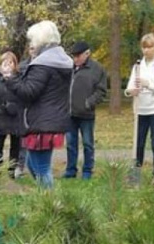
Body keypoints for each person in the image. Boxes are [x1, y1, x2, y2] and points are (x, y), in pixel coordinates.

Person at [6, 21, 72, 189]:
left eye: (33, 39)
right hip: (49, 118)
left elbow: (29, 92)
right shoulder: (60, 60)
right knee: (33, 165)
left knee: (41, 169)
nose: (31, 43)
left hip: (42, 122)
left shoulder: (44, 64)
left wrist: (11, 78)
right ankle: (44, 199)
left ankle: (49, 205)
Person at [125, 33, 154, 179]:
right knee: (138, 144)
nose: (146, 50)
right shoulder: (138, 66)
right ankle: (135, 176)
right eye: (144, 47)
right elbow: (129, 88)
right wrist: (131, 91)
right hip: (140, 110)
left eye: (149, 47)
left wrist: (149, 85)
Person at [63, 41, 107, 180]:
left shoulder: (97, 69)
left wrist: (89, 103)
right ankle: (70, 170)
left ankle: (87, 171)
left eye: (78, 56)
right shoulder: (69, 68)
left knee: (88, 143)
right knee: (70, 144)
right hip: (70, 114)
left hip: (86, 114)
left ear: (87, 53)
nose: (75, 59)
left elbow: (101, 91)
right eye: (73, 56)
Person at [0, 51, 22, 178]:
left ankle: (12, 170)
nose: (7, 65)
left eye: (10, 62)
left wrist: (16, 108)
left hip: (14, 116)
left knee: (15, 145)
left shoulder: (19, 78)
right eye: (4, 63)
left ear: (15, 64)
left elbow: (24, 96)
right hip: (0, 117)